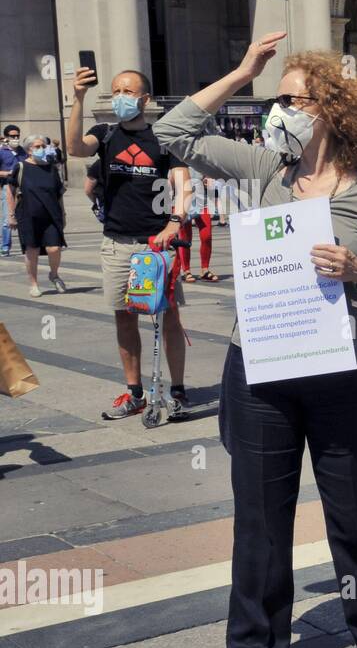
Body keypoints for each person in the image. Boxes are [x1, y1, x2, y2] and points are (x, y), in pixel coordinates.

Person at [153, 33, 357, 648]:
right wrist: (244, 69)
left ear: (329, 109)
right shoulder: (262, 169)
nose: (279, 111)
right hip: (263, 368)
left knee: (353, 510)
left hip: (344, 371)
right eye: (278, 100)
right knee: (260, 519)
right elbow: (174, 130)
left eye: (290, 100)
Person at [66, 68, 192, 420]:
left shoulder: (164, 138)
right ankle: (134, 392)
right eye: (116, 90)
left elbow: (183, 186)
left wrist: (174, 222)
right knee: (124, 319)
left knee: (168, 317)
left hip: (155, 246)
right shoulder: (105, 135)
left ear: (145, 99)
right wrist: (77, 97)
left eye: (128, 90)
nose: (121, 96)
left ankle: (177, 390)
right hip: (117, 244)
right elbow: (75, 148)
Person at [4, 135, 67, 297]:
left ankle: (54, 274)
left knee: (55, 248)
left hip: (51, 214)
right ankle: (33, 284)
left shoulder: (51, 168)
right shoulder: (20, 167)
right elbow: (10, 192)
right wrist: (11, 215)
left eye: (43, 146)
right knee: (32, 249)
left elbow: (59, 194)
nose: (42, 149)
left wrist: (63, 213)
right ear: (29, 150)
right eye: (38, 146)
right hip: (28, 214)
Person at [178, 168, 219, 283]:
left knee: (207, 235)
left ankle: (204, 270)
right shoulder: (176, 157)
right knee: (185, 238)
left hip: (202, 201)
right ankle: (186, 271)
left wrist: (208, 177)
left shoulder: (198, 155)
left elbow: (208, 170)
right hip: (183, 200)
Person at [1, 123, 26, 256]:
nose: (15, 138)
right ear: (6, 137)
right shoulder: (1, 152)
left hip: (22, 186)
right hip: (7, 186)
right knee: (7, 218)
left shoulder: (23, 151)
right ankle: (5, 246)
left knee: (24, 216)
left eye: (17, 136)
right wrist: (7, 173)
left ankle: (27, 244)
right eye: (12, 136)